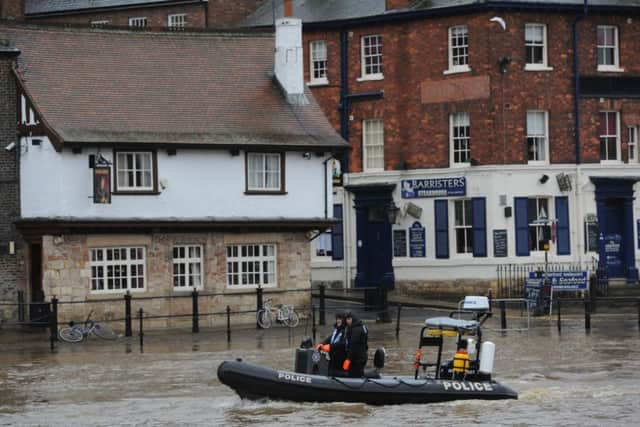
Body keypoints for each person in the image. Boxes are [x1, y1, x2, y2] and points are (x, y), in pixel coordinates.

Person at [343, 311, 368, 378]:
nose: (347, 321)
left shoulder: (356, 330)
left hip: (357, 359)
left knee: (354, 376)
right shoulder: (362, 326)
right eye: (346, 319)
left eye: (349, 319)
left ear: (353, 319)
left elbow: (353, 345)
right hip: (362, 356)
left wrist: (348, 359)